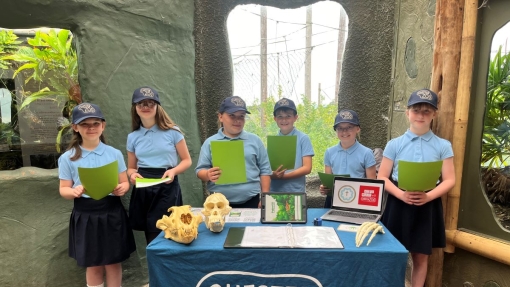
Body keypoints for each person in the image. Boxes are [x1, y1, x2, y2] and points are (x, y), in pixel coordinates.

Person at [377, 89, 455, 287]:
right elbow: (382, 177)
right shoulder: (394, 144)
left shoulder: (443, 145)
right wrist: (401, 195)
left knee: (421, 256)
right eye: (416, 110)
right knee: (394, 253)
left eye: (427, 111)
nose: (421, 115)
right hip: (398, 202)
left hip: (427, 204)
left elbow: (449, 180)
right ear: (408, 112)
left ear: (434, 114)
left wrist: (428, 197)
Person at [58, 103, 136, 287]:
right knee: (93, 264)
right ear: (75, 128)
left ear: (103, 125)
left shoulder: (114, 154)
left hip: (112, 212)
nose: (91, 128)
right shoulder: (67, 158)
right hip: (85, 214)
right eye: (85, 124)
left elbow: (124, 182)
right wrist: (74, 191)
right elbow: (63, 189)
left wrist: (122, 189)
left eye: (95, 123)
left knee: (113, 261)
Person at [126, 86, 192, 245]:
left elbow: (186, 160)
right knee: (151, 235)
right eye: (141, 104)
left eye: (150, 103)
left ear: (157, 106)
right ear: (135, 108)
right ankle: (155, 269)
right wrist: (132, 175)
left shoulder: (173, 132)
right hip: (144, 187)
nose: (145, 107)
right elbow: (131, 168)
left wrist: (173, 171)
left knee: (168, 232)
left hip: (167, 186)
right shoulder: (133, 137)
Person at [195, 96, 272, 208]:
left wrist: (265, 197)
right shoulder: (210, 143)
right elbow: (199, 171)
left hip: (252, 201)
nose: (237, 120)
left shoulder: (255, 141)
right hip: (218, 204)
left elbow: (265, 170)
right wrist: (207, 174)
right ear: (220, 116)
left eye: (241, 116)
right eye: (232, 116)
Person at [319, 109, 377, 207]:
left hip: (357, 201)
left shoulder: (367, 153)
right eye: (340, 128)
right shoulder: (329, 152)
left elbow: (372, 185)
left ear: (358, 129)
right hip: (334, 199)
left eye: (349, 127)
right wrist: (324, 188)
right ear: (336, 130)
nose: (344, 131)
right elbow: (328, 181)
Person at [270, 98, 314, 192]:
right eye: (280, 116)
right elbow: (267, 167)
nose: (284, 120)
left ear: (295, 117)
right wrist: (272, 174)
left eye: (288, 116)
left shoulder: (303, 138)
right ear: (275, 119)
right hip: (274, 190)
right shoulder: (273, 141)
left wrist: (284, 177)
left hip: (295, 191)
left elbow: (307, 168)